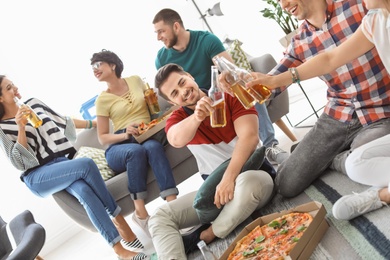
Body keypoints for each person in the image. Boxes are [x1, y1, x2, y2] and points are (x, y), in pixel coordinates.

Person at [243, 0, 390, 220]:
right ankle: (334, 156)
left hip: (379, 109)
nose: (283, 5)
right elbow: (272, 84)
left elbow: (330, 59)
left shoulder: (363, 6)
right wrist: (245, 83)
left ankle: (337, 160)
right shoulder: (300, 42)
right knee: (286, 184)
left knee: (363, 153)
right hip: (338, 115)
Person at [0, 75, 147, 260]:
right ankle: (120, 220)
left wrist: (97, 124)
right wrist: (20, 128)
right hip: (37, 175)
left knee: (85, 191)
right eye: (8, 88)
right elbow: (18, 162)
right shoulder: (2, 128)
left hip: (61, 163)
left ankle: (119, 250)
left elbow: (63, 121)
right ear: (0, 98)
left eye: (13, 85)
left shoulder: (33, 104)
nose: (15, 89)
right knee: (86, 165)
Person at [148, 63, 275, 259]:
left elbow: (249, 137)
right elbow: (175, 139)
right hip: (215, 194)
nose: (184, 92)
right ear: (173, 102)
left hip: (254, 176)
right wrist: (197, 117)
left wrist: (228, 179)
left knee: (247, 182)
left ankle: (208, 234)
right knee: (158, 217)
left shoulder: (229, 94)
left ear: (190, 76)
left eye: (182, 82)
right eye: (175, 93)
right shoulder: (179, 118)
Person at [152, 8, 288, 165]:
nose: (158, 37)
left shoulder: (206, 40)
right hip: (193, 106)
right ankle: (219, 169)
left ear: (176, 26)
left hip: (219, 94)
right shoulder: (161, 58)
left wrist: (224, 79)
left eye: (161, 31)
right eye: (156, 33)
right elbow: (170, 90)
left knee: (245, 88)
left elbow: (229, 70)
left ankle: (270, 146)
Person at [90, 49, 179, 239]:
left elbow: (153, 106)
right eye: (92, 67)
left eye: (98, 64)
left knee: (153, 147)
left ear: (112, 65)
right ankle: (141, 213)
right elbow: (103, 138)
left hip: (145, 135)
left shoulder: (136, 80)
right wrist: (125, 134)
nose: (94, 70)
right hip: (118, 147)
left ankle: (174, 207)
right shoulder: (102, 100)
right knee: (135, 152)